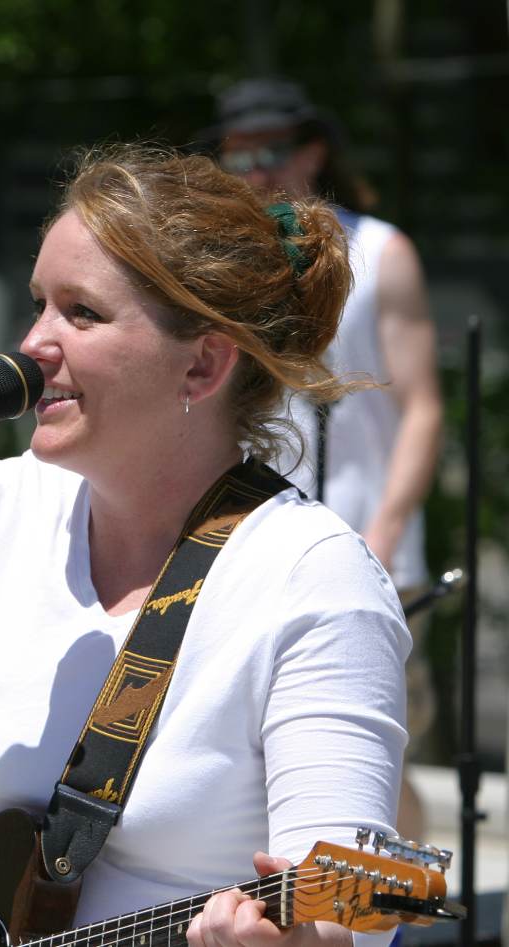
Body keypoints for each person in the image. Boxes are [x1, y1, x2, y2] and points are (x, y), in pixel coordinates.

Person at [0, 144, 410, 947]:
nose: (31, 346)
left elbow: (356, 912)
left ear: (202, 366)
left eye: (80, 313)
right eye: (39, 305)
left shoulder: (314, 579)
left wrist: (298, 942)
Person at [208, 78, 443, 841]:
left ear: (312, 153)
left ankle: (402, 908)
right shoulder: (222, 267)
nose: (255, 172)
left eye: (271, 152)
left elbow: (423, 408)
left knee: (376, 751)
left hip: (366, 547)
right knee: (251, 751)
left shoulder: (381, 252)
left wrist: (384, 531)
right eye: (236, 156)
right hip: (248, 545)